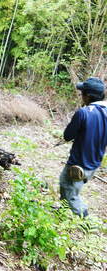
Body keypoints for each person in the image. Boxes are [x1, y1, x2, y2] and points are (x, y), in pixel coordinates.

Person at [60, 77, 106, 217]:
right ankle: (63, 212)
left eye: (82, 93)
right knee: (72, 189)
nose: (81, 96)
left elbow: (67, 135)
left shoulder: (83, 112)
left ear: (88, 96)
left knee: (69, 190)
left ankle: (83, 217)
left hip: (78, 164)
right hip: (94, 164)